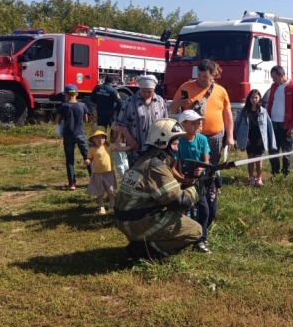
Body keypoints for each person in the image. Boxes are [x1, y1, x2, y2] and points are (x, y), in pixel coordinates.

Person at [113, 118, 206, 261]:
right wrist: (199, 188)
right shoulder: (157, 167)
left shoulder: (145, 160)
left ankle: (142, 242)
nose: (177, 148)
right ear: (163, 142)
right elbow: (179, 202)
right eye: (175, 144)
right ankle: (146, 251)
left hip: (126, 219)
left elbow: (163, 193)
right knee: (195, 230)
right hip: (136, 222)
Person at [168, 59, 235, 167]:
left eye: (205, 76)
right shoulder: (186, 87)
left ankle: (210, 183)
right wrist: (178, 103)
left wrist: (230, 137)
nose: (200, 79)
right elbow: (172, 110)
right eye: (199, 75)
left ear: (213, 76)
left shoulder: (221, 91)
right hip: (192, 138)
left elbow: (228, 116)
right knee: (191, 166)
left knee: (211, 167)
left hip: (214, 137)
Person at [173, 110, 215, 253]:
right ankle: (182, 238)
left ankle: (200, 240)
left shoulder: (202, 139)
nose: (197, 125)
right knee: (184, 211)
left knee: (205, 210)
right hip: (183, 181)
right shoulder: (177, 142)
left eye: (198, 122)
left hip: (199, 181)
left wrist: (201, 168)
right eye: (193, 123)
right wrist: (183, 179)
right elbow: (173, 167)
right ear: (183, 124)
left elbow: (206, 160)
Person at [113, 74, 167, 166]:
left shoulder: (160, 101)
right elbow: (121, 124)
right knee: (137, 176)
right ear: (139, 89)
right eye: (143, 91)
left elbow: (165, 122)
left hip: (156, 147)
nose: (146, 94)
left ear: (154, 90)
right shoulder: (130, 102)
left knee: (154, 175)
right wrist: (130, 140)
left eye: (149, 92)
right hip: (137, 147)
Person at [234, 89, 276, 186]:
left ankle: (258, 178)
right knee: (250, 159)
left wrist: (266, 139)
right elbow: (238, 125)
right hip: (248, 139)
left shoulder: (263, 112)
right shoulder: (244, 112)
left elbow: (268, 127)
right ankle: (251, 177)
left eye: (256, 97)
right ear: (249, 99)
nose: (254, 99)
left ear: (259, 98)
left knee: (258, 160)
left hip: (259, 139)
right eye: (252, 97)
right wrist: (241, 138)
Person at [266, 65, 293, 177]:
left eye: (275, 77)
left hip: (286, 125)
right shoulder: (273, 87)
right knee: (273, 150)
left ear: (282, 76)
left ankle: (285, 174)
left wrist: (292, 127)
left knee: (286, 151)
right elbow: (270, 103)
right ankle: (275, 173)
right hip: (273, 124)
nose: (273, 80)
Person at [84, 128, 129, 215]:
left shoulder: (109, 146)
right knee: (100, 192)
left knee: (111, 190)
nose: (100, 140)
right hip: (97, 174)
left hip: (108, 173)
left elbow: (119, 149)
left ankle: (112, 203)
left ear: (105, 139)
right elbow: (90, 158)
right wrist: (88, 161)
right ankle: (101, 206)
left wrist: (130, 147)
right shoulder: (92, 149)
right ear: (93, 139)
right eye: (97, 138)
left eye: (102, 138)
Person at [56, 84, 92, 190]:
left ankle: (72, 183)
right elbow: (86, 120)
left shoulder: (64, 106)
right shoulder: (82, 105)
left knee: (70, 159)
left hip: (68, 135)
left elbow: (57, 120)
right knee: (87, 157)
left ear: (66, 94)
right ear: (77, 93)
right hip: (80, 134)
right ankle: (93, 179)